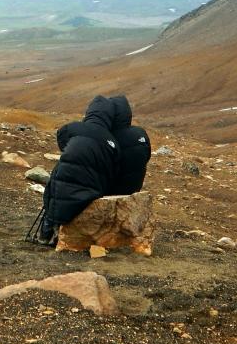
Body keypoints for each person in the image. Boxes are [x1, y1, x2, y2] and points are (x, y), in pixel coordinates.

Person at [34, 94, 150, 246]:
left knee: (58, 187)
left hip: (70, 186)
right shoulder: (130, 136)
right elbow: (117, 164)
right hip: (131, 192)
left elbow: (62, 142)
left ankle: (49, 231)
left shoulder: (78, 128)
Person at [108, 95, 151, 195]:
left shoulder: (108, 136)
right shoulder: (140, 132)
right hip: (135, 190)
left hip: (110, 192)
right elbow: (147, 156)